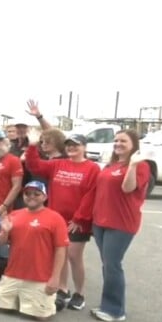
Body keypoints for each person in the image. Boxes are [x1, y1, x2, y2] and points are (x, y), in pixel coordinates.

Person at [80, 129, 151, 322]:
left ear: (134, 144)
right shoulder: (110, 166)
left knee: (112, 265)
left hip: (121, 223)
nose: (118, 143)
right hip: (101, 222)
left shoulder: (141, 166)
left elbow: (127, 188)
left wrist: (133, 165)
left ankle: (115, 310)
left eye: (123, 141)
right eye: (116, 140)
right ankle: (109, 304)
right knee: (108, 265)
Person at [24, 132, 100, 310]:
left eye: (76, 145)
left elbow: (91, 195)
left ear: (84, 147)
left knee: (74, 256)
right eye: (69, 145)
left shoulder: (92, 168)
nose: (72, 148)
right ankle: (63, 288)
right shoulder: (57, 164)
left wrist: (79, 218)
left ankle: (80, 293)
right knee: (60, 255)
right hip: (56, 218)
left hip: (78, 221)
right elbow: (34, 166)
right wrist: (33, 145)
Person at [0, 181, 69, 321]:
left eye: (36, 193)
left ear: (45, 197)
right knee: (3, 308)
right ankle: (28, 299)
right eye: (27, 193)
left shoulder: (55, 218)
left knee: (39, 317)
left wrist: (55, 278)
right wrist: (4, 232)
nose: (31, 196)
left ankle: (54, 299)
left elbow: (61, 249)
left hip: (40, 276)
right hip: (13, 273)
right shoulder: (14, 215)